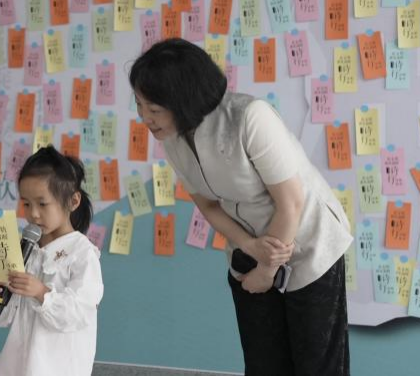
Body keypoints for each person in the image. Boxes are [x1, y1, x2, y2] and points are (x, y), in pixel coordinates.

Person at [129, 39, 353, 376]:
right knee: (263, 363)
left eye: (154, 109)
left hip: (308, 242)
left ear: (183, 98)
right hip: (251, 249)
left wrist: (267, 270)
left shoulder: (250, 116)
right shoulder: (173, 140)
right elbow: (208, 206)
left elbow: (291, 202)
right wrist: (249, 247)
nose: (145, 118)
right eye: (139, 105)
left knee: (316, 365)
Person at [0, 146, 103, 376]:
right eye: (27, 204)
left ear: (73, 201)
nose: (33, 214)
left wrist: (41, 292)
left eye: (42, 203)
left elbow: (79, 315)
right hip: (17, 367)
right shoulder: (23, 248)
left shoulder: (82, 253)